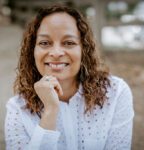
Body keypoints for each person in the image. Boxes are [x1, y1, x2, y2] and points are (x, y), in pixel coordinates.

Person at [5, 4, 134, 150]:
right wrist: (50, 112)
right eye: (45, 43)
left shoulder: (115, 93)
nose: (56, 52)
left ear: (83, 50)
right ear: (32, 51)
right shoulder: (17, 109)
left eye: (69, 42)